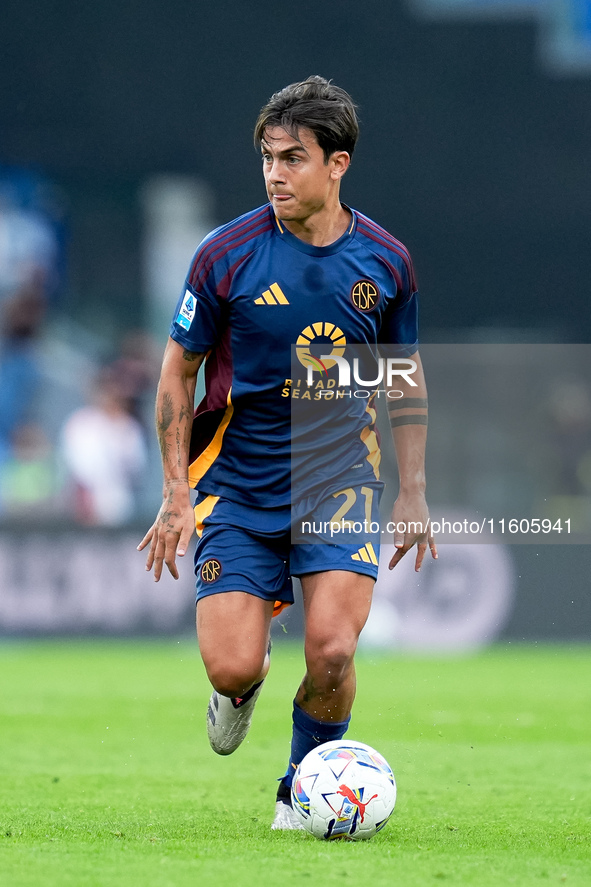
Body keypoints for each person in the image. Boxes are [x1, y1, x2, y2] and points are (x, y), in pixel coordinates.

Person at [139, 76, 437, 830]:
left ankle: (298, 787)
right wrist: (175, 493)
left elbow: (402, 374)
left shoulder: (385, 263)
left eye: (292, 158)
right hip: (238, 483)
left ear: (336, 164)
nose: (274, 173)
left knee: (333, 649)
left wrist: (413, 489)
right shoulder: (225, 255)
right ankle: (239, 689)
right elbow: (177, 369)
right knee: (231, 663)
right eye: (268, 157)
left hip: (339, 480)